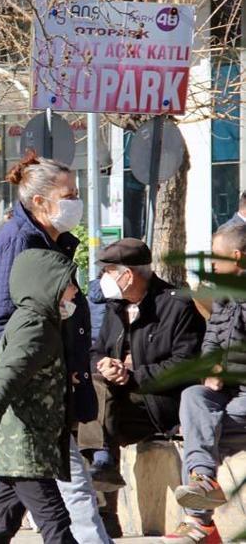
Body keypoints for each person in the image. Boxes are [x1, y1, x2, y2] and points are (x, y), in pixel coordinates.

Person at [0, 152, 109, 543]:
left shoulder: (49, 238)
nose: (76, 201)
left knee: (4, 500)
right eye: (69, 194)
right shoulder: (18, 240)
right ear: (40, 202)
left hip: (44, 390)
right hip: (30, 397)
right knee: (65, 501)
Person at [76, 238, 205, 533]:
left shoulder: (176, 305)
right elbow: (98, 350)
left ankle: (104, 509)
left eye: (108, 270)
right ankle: (103, 468)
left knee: (93, 410)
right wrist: (105, 365)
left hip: (158, 402)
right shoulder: (116, 307)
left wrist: (133, 375)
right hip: (117, 401)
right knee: (85, 408)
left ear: (128, 274)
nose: (103, 279)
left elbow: (186, 365)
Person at [0, 249, 81, 543]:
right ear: (47, 285)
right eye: (69, 283)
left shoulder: (36, 320)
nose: (74, 291)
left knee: (1, 521)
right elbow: (6, 376)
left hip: (21, 445)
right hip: (24, 446)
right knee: (54, 521)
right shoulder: (36, 326)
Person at [161, 225, 246, 544]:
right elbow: (213, 335)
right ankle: (202, 482)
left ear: (237, 257)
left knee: (204, 430)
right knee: (194, 398)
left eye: (215, 256)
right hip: (229, 394)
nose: (210, 263)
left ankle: (199, 523)